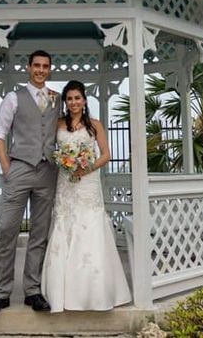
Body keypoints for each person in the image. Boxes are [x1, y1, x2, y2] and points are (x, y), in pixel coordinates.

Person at [0, 50, 60, 316]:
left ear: (49, 69)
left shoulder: (56, 99)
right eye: (36, 65)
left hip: (48, 172)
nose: (40, 70)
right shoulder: (14, 97)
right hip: (19, 168)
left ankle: (32, 291)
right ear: (28, 67)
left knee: (40, 233)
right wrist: (6, 167)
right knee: (7, 230)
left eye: (45, 66)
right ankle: (0, 293)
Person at [40, 80, 131, 312]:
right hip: (66, 184)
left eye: (77, 98)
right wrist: (64, 161)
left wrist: (86, 168)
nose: (73, 103)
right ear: (65, 102)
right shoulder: (57, 123)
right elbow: (48, 148)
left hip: (88, 184)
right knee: (65, 226)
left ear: (84, 100)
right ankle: (61, 293)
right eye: (69, 99)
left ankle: (93, 292)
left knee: (90, 228)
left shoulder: (95, 125)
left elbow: (106, 155)